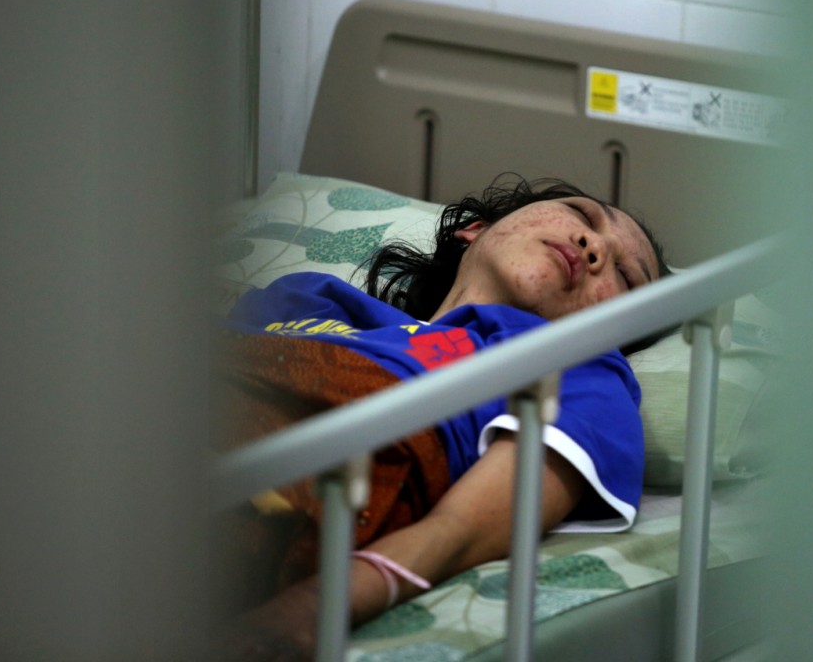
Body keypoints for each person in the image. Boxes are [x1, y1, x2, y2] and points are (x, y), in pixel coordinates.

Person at [214, 175, 672, 661]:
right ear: (475, 229)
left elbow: (455, 531)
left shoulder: (575, 365)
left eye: (625, 276)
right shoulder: (310, 297)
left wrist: (314, 608)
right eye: (581, 215)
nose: (593, 243)